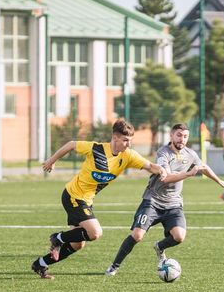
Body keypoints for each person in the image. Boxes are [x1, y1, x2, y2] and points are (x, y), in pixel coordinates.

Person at [32, 119, 167, 279]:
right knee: (95, 232)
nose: (128, 144)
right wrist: (51, 161)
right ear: (115, 138)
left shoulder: (128, 155)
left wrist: (161, 170)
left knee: (77, 244)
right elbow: (71, 144)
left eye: (130, 141)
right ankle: (57, 238)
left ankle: (41, 264)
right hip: (73, 195)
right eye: (125, 140)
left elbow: (149, 166)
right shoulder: (96, 149)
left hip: (87, 200)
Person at [105, 123, 224, 276]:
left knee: (179, 237)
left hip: (173, 204)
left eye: (185, 136)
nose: (182, 139)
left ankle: (159, 247)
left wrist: (219, 181)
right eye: (179, 135)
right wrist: (188, 174)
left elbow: (203, 167)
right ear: (171, 136)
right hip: (153, 201)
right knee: (137, 235)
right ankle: (114, 266)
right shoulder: (163, 153)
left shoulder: (190, 154)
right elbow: (166, 178)